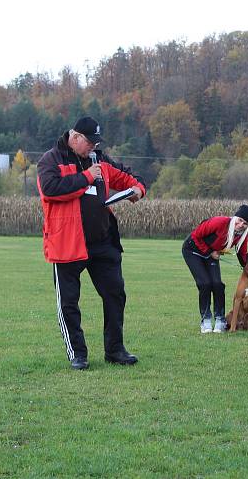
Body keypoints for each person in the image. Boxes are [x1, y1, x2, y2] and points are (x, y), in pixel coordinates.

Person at [37, 116, 146, 370]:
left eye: (96, 143)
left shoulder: (100, 160)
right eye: (89, 142)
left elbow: (128, 176)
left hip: (103, 243)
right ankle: (78, 354)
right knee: (69, 303)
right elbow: (51, 190)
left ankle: (115, 350)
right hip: (67, 244)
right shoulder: (51, 160)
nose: (93, 148)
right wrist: (86, 177)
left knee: (115, 294)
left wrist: (138, 189)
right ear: (75, 137)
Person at [182, 204, 248, 333]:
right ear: (235, 217)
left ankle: (220, 319)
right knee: (204, 283)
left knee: (218, 284)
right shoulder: (219, 222)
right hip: (193, 250)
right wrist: (209, 252)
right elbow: (196, 236)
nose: (241, 224)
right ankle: (206, 320)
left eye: (245, 223)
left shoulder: (242, 235)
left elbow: (242, 254)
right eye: (240, 220)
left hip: (211, 253)